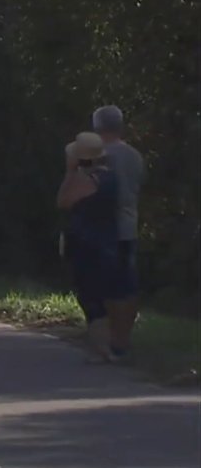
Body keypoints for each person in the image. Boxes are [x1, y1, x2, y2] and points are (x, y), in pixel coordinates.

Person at [57, 131, 120, 362]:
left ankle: (102, 348)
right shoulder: (111, 178)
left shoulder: (86, 181)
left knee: (90, 297)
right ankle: (106, 344)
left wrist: (69, 172)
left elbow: (62, 201)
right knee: (101, 294)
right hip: (107, 240)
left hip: (87, 244)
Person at [92, 105, 146, 358]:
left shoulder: (98, 155)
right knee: (128, 285)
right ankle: (125, 338)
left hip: (105, 228)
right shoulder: (134, 156)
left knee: (107, 287)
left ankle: (113, 339)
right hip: (129, 225)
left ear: (98, 127)